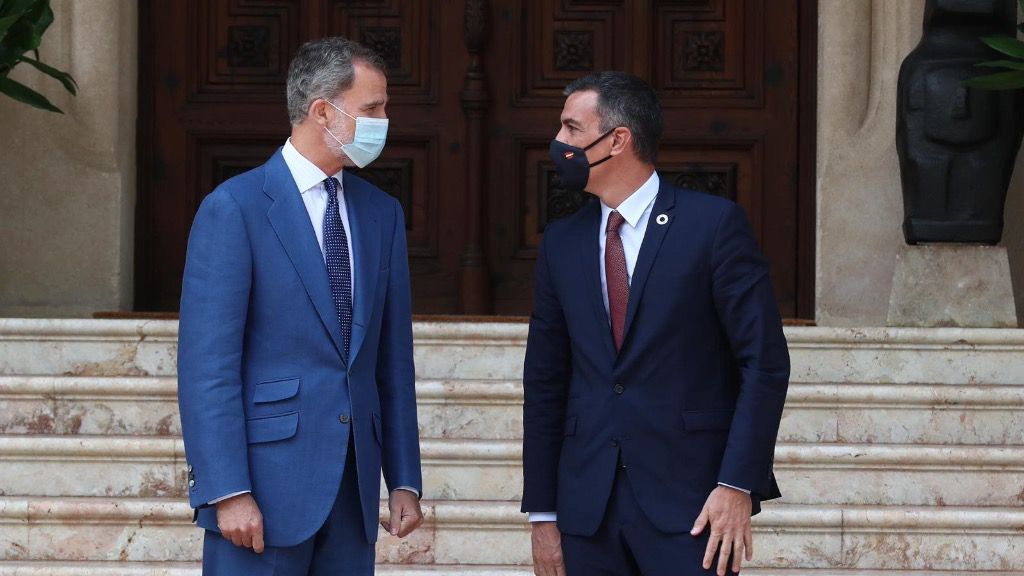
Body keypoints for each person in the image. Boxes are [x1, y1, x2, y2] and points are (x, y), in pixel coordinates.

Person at [521, 71, 790, 576]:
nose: (558, 143)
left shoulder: (713, 226)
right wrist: (543, 513)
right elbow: (544, 382)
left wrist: (736, 484)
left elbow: (764, 363)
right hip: (586, 510)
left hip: (691, 505)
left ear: (617, 139)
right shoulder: (562, 242)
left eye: (571, 129)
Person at [177, 37, 423, 576]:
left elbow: (392, 361)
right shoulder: (234, 209)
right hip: (262, 493)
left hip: (353, 491)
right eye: (373, 108)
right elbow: (206, 369)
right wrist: (227, 490)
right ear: (321, 111)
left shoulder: (382, 214)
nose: (386, 121)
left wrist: (403, 477)